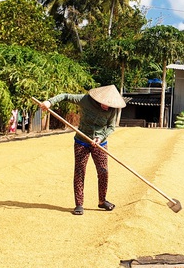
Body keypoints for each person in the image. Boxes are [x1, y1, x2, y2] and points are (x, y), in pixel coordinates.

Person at [40, 85, 126, 216]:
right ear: (99, 99)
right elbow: (65, 96)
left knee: (103, 171)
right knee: (80, 171)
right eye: (105, 104)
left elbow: (111, 127)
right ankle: (79, 204)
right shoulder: (85, 100)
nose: (107, 107)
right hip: (81, 141)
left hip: (100, 143)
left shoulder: (112, 110)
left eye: (110, 105)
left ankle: (102, 201)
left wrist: (100, 137)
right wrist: (49, 102)